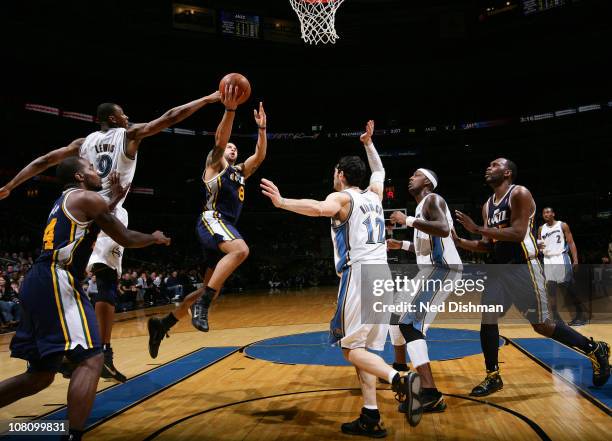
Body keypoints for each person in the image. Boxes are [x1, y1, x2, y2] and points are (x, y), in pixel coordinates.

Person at [0, 91, 220, 382]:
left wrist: (11, 185)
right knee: (105, 279)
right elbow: (170, 116)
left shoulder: (83, 144)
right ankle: (102, 351)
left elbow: (45, 160)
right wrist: (209, 99)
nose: (128, 117)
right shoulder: (128, 134)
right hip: (108, 211)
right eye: (124, 114)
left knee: (70, 275)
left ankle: (67, 348)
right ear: (114, 118)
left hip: (78, 212)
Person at [261, 120, 422, 436]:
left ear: (341, 174)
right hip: (382, 275)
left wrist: (282, 202)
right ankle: (370, 416)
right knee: (364, 351)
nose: (333, 175)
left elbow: (319, 208)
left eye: (336, 171)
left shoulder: (344, 199)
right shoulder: (374, 196)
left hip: (359, 275)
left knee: (350, 350)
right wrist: (368, 144)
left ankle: (399, 379)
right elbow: (380, 173)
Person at [0, 156, 170, 441]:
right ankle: (73, 436)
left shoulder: (69, 200)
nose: (95, 171)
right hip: (57, 278)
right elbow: (125, 236)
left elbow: (97, 220)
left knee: (40, 377)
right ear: (79, 177)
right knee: (92, 357)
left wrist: (113, 198)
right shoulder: (86, 198)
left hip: (38, 281)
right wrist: (154, 237)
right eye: (90, 168)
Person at [453, 158, 610, 396]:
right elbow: (487, 244)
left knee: (542, 325)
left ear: (507, 172)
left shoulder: (520, 193)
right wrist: (460, 242)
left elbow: (517, 233)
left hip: (523, 267)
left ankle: (594, 348)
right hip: (500, 269)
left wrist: (476, 229)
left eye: (494, 164)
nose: (488, 166)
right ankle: (492, 375)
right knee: (488, 318)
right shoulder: (487, 205)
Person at [148, 88, 267, 355]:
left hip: (224, 226)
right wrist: (230, 109)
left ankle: (163, 323)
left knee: (209, 286)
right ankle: (202, 306)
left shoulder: (239, 173)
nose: (233, 149)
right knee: (241, 250)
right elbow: (220, 140)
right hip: (211, 219)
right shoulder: (215, 164)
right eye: (230, 147)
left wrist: (262, 130)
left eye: (237, 147)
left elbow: (258, 157)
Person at [386, 168, 462, 413]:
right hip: (428, 271)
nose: (410, 177)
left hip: (442, 271)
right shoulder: (422, 208)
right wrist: (401, 244)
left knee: (410, 324)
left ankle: (430, 393)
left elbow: (442, 229)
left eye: (416, 174)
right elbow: (425, 247)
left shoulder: (433, 200)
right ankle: (399, 369)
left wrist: (405, 220)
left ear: (428, 182)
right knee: (395, 317)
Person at [538, 207, 585, 325]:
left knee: (568, 287)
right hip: (548, 260)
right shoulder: (540, 229)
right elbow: (539, 245)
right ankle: (556, 318)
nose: (546, 214)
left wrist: (575, 260)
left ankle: (581, 315)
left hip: (561, 257)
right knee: (551, 289)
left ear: (553, 214)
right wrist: (539, 248)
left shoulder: (562, 225)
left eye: (548, 212)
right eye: (544, 213)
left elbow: (571, 242)